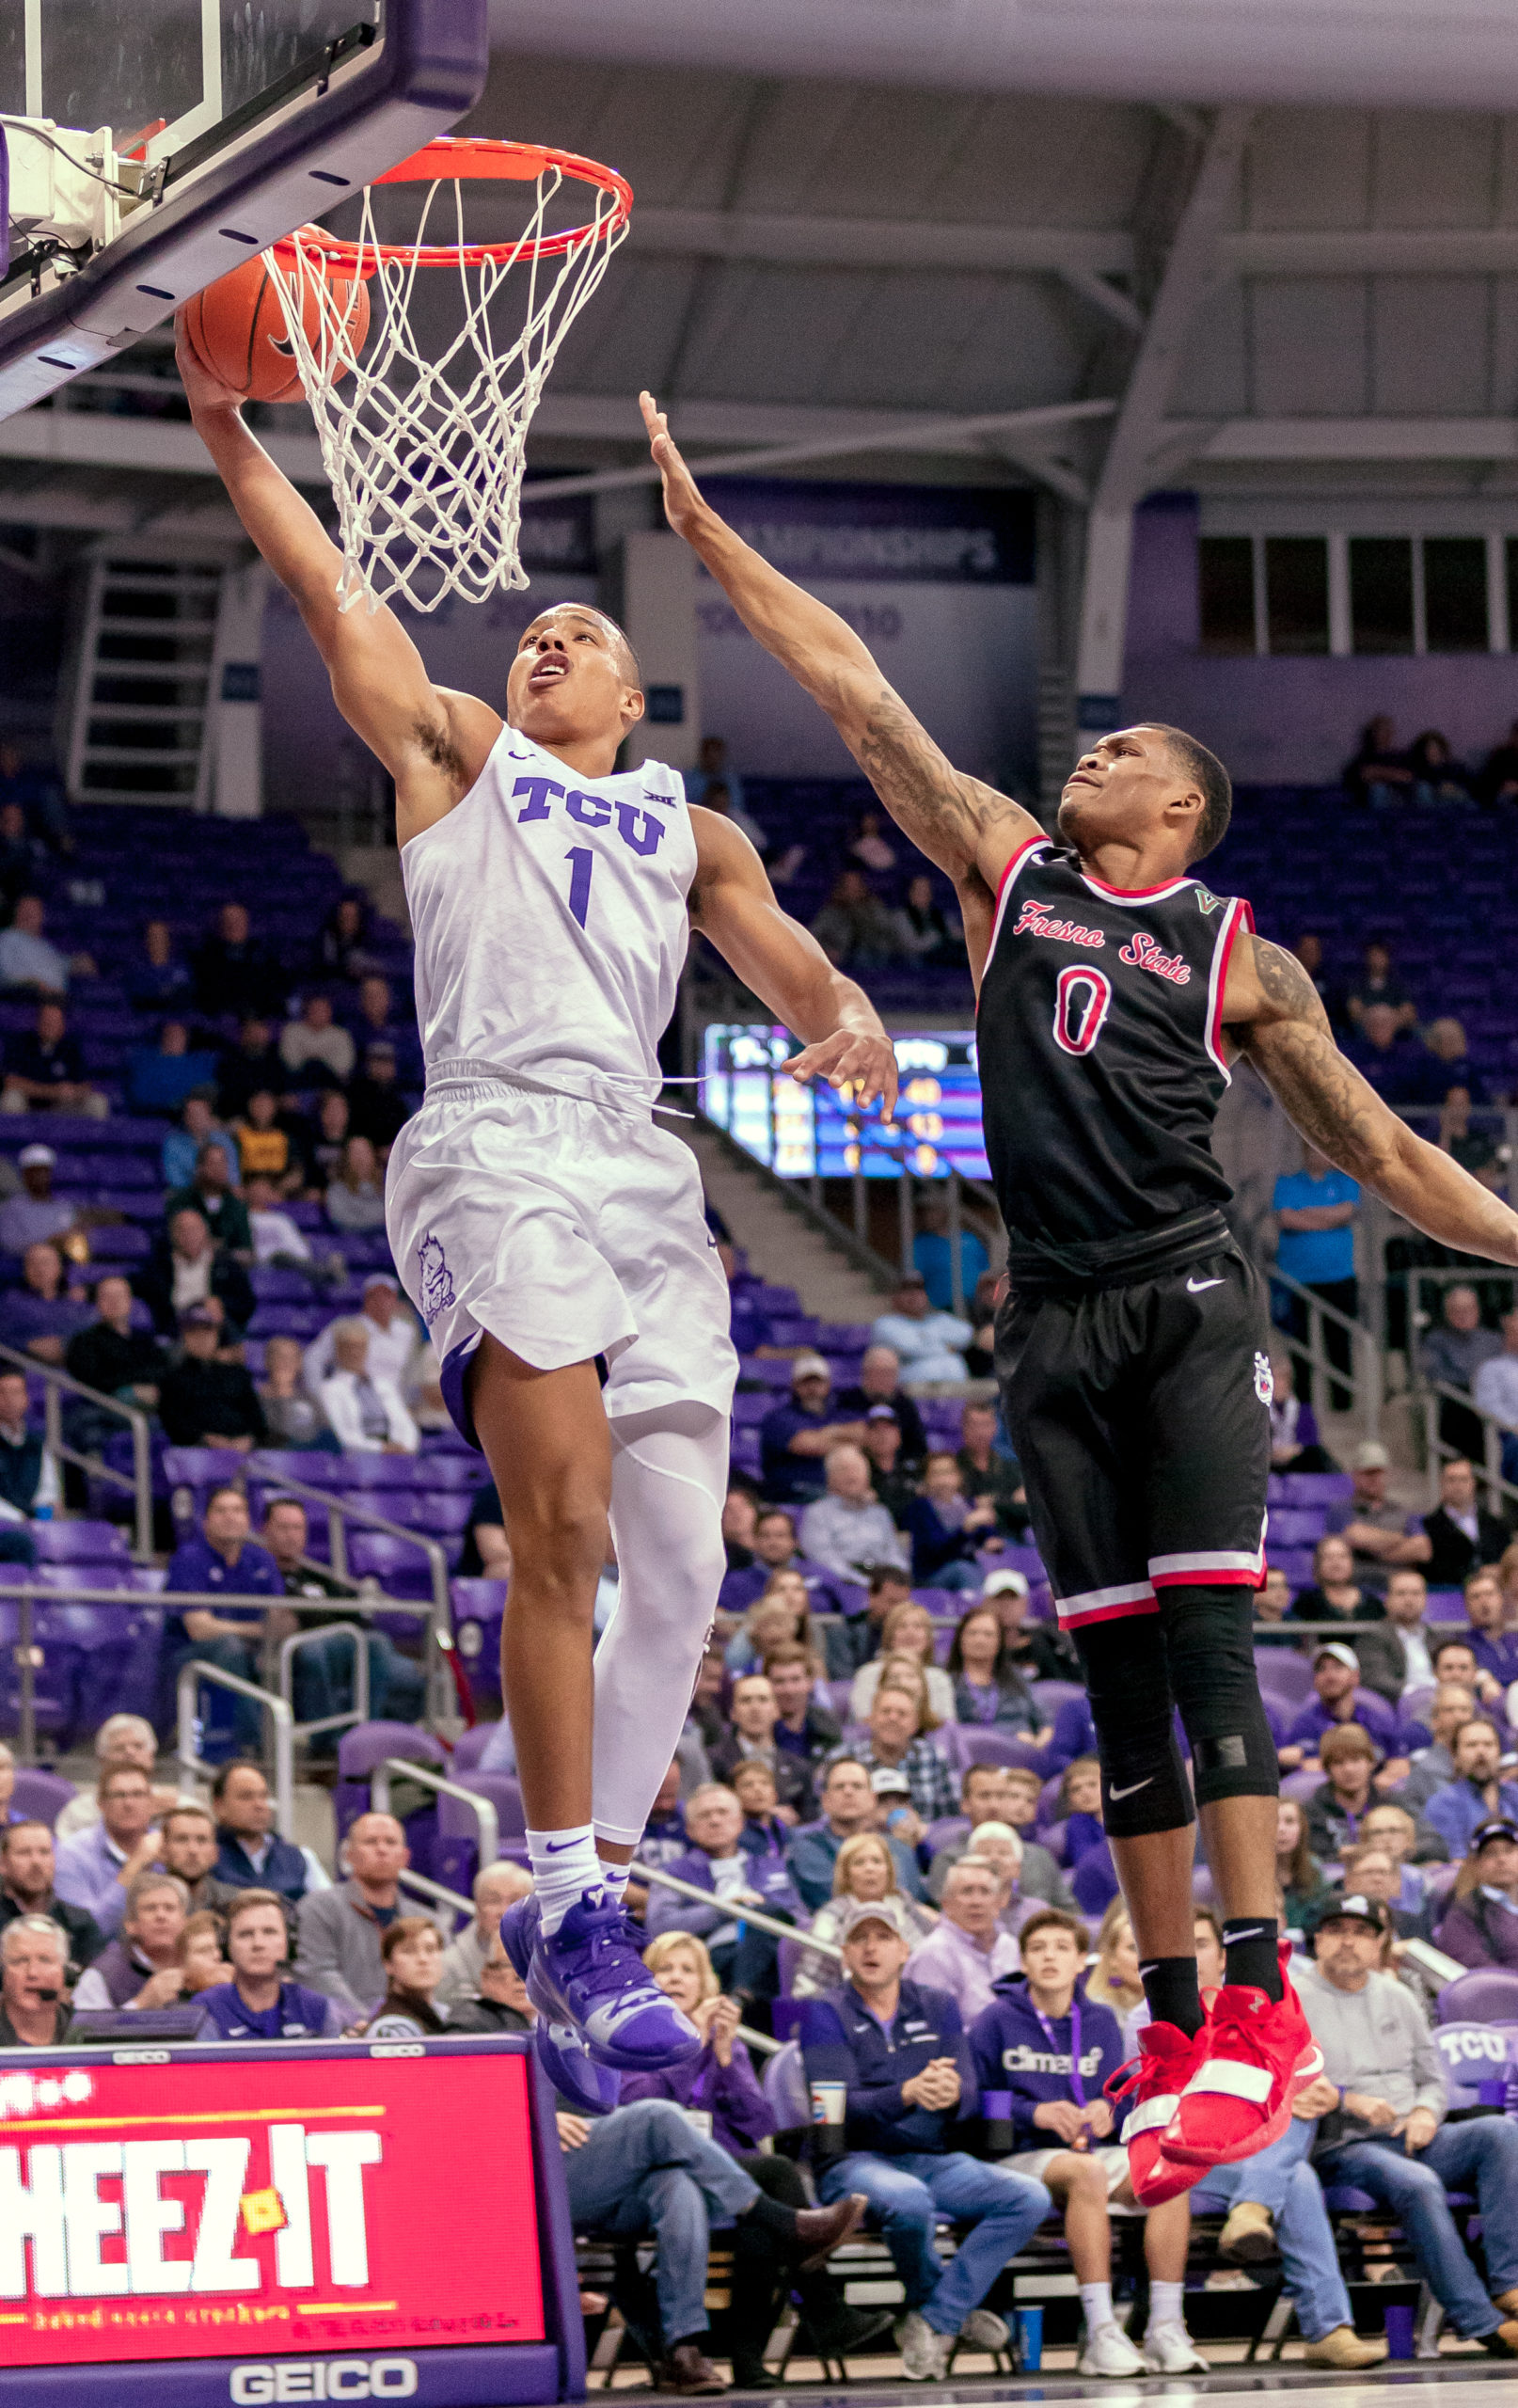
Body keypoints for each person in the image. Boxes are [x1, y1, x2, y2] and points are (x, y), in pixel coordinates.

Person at [643, 391, 1518, 2180]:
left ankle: (1265, 2004)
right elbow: (856, 697)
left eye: (1118, 747)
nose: (1087, 754)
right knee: (1114, 1679)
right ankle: (1180, 2021)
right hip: (1045, 1317)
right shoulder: (1008, 870)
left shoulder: (1238, 957)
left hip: (1186, 1301)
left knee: (1207, 1646)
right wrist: (714, 544)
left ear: (1177, 808)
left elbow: (1378, 1153)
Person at [182, 325, 900, 2115]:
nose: (547, 638)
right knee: (561, 1519)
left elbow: (793, 972)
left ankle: (595, 1920)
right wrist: (227, 428)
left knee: (688, 1574)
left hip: (642, 1168)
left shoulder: (689, 831)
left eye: (583, 633)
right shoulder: (458, 756)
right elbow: (332, 587)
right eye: (534, 631)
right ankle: (568, 1901)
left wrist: (846, 1019)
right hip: (494, 1142)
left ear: (637, 700)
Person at [799, 1895, 1049, 2380]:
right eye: (859, 1939)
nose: (871, 1948)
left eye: (883, 1937)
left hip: (931, 2156)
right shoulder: (823, 2012)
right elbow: (836, 2105)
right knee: (909, 2200)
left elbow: (970, 2089)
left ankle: (935, 2318)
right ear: (845, 1954)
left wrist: (953, 2095)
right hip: (853, 2160)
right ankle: (949, 2314)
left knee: (1028, 2197)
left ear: (904, 1950)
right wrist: (907, 2093)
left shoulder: (938, 2006)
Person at [627, 1929, 891, 2386]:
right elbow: (646, 2109)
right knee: (777, 2174)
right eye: (665, 1969)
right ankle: (823, 2308)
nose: (676, 1978)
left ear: (706, 1984)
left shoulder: (725, 2040)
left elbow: (759, 2123)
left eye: (688, 1970)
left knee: (763, 2221)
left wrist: (726, 2058)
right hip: (667, 2177)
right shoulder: (633, 2039)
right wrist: (692, 2043)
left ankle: (750, 2361)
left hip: (729, 2174)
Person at [972, 1907, 1204, 2376]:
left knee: (1168, 2171)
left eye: (1061, 1948)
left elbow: (1116, 2094)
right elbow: (971, 2100)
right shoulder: (995, 2019)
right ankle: (1101, 2330)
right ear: (1023, 1961)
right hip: (1015, 2154)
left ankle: (1165, 2326)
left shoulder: (1099, 2020)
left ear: (1082, 1961)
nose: (1049, 1957)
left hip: (1087, 2151)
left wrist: (1106, 2109)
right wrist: (1032, 2111)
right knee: (1088, 2172)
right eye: (1038, 1949)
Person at [1298, 1892, 1518, 2355]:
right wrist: (1348, 2100)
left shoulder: (1397, 1996)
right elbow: (1288, 2085)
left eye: (1361, 1932)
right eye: (1336, 1930)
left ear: (1380, 1943)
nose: (1348, 1942)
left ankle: (1510, 2284)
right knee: (1418, 2182)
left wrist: (1425, 2111)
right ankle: (1481, 2323)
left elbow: (1433, 2080)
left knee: (1502, 2133)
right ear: (1317, 1940)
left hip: (1412, 2134)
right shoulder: (1295, 2001)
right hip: (1344, 2146)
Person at [1182, 1909, 1387, 2369]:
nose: (1190, 1958)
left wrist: (1311, 2092)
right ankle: (1328, 2329)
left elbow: (1291, 2076)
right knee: (1293, 2169)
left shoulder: (1252, 2015)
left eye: (1200, 1945)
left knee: (1298, 2147)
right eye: (1181, 1948)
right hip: (1183, 2154)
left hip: (1251, 2150)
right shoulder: (1155, 2015)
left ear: (1223, 1957)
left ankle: (1253, 2210)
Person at [559, 2098, 863, 2397]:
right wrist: (537, 2119)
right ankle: (783, 2222)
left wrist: (726, 2072)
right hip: (549, 2159)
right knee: (658, 2115)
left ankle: (682, 2347)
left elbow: (761, 2121)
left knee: (677, 2184)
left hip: (627, 2178)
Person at [261, 1494, 426, 1729]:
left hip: (344, 1645)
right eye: (283, 1527)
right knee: (317, 1651)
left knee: (413, 1672)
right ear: (265, 1530)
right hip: (300, 1646)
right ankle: (330, 1737)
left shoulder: (319, 1574)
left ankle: (375, 1734)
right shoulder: (263, 1573)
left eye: (297, 1528)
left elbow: (354, 1616)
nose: (291, 1535)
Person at [644, 1782, 799, 2005]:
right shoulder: (674, 1873)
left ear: (740, 1822)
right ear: (689, 1829)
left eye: (723, 1812)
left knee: (769, 1916)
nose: (715, 1820)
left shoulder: (772, 1866)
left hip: (774, 1959)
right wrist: (725, 1910)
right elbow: (659, 1926)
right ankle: (740, 1995)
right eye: (705, 1815)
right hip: (713, 1960)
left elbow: (797, 1917)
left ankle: (741, 1995)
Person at [163, 1484, 283, 1755]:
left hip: (251, 1648)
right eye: (221, 1511)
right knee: (229, 1647)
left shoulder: (261, 1559)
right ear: (206, 1520)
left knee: (303, 1653)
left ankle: (324, 1747)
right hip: (186, 1654)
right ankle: (251, 1745)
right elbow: (199, 1629)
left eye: (238, 1510)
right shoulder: (189, 1558)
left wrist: (267, 1632)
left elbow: (280, 1621)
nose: (230, 1517)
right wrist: (257, 1630)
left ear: (248, 1520)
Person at [294, 1810, 432, 2024]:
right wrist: (369, 2025)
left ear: (405, 1857)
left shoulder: (426, 1920)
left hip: (415, 2030)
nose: (382, 1849)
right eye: (370, 1842)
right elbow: (318, 1973)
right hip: (344, 2032)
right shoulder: (318, 1908)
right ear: (349, 1855)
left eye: (390, 1842)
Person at [791, 1830, 937, 1997]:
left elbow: (933, 1957)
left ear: (889, 1869)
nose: (869, 1869)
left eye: (877, 1861)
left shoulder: (903, 1903)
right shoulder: (831, 1916)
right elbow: (809, 1986)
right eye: (859, 1863)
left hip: (917, 1998)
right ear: (846, 1874)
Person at [1272, 1145, 1360, 1410]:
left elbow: (1347, 1212)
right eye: (1313, 1150)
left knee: (1339, 1342)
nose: (1319, 1156)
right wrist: (1329, 1218)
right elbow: (1286, 1218)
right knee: (1300, 1345)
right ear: (1304, 1153)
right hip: (1297, 1278)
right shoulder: (1287, 1183)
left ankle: (1343, 1404)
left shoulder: (1344, 1182)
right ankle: (1304, 1406)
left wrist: (1305, 1214)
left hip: (1338, 1276)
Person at [197, 1888, 346, 2039]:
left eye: (269, 1932)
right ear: (226, 1945)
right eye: (245, 1934)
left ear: (290, 1942)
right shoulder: (206, 2010)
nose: (258, 1943)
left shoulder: (318, 2008)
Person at [788, 1756, 925, 1910]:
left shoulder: (899, 1848)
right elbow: (833, 1898)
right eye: (839, 1787)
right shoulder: (808, 1846)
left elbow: (921, 1898)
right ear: (825, 1801)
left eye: (857, 1786)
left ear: (872, 1799)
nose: (848, 1792)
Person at [53, 1762, 166, 1940]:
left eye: (138, 1794)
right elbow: (88, 1933)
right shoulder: (71, 1853)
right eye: (119, 1795)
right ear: (101, 1803)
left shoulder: (167, 1847)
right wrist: (135, 1865)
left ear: (151, 1802)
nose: (129, 1803)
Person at [904, 1854, 1021, 2023]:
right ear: (946, 1904)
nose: (976, 1902)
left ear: (998, 1903)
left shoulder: (1011, 1947)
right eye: (967, 1891)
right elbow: (935, 2028)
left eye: (985, 1891)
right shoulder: (933, 1954)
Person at [71, 1871, 193, 2012]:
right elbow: (82, 2025)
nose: (161, 1916)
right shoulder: (103, 1974)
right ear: (130, 1925)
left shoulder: (202, 1964)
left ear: (186, 1921)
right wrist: (140, 2004)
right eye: (150, 1908)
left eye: (169, 1908)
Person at [356, 1916, 496, 2037]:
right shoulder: (390, 2029)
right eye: (409, 1951)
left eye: (430, 1949)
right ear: (388, 1964)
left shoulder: (445, 2013)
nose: (423, 1959)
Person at [759, 1354, 869, 1507]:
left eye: (818, 1382)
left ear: (828, 1384)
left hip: (832, 1490)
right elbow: (807, 1445)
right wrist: (846, 1441)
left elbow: (865, 1434)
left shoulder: (839, 1414)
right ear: (795, 1385)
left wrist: (831, 1431)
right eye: (806, 1382)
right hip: (793, 1492)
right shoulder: (778, 1418)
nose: (812, 1388)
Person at [213, 1759, 327, 1903]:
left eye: (263, 1796)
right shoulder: (204, 1855)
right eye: (246, 1797)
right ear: (219, 1806)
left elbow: (328, 1909)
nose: (259, 1805)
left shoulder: (300, 1857)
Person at [54, 1712, 182, 1838]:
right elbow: (70, 1850)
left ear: (152, 1756)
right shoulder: (79, 1811)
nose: (130, 1752)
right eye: (119, 1748)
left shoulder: (178, 1806)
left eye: (138, 1746)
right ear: (102, 1760)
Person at [159, 1304, 268, 1448]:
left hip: (242, 1450)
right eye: (194, 1333)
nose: (202, 1339)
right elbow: (172, 1421)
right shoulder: (173, 1378)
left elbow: (257, 1420)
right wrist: (204, 1438)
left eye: (207, 1332)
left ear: (216, 1335)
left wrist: (248, 1439)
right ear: (185, 1337)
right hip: (195, 1452)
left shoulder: (237, 1374)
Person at [1280, 1641, 1406, 1766]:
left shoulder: (1376, 1721)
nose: (1330, 1676)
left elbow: (1401, 1763)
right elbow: (1290, 1759)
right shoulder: (1305, 1724)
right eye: (1321, 1669)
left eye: (1338, 1667)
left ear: (1355, 1676)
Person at [140, 1206, 256, 1341]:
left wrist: (221, 1304)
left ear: (205, 1232)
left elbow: (246, 1303)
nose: (189, 1235)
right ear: (172, 1234)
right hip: (175, 1333)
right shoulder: (158, 1267)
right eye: (182, 1230)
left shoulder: (227, 1265)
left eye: (194, 1229)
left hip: (217, 1331)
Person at [798, 1443, 909, 1583]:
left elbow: (894, 1554)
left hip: (882, 1580)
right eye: (843, 1469)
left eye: (857, 1469)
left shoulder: (880, 1513)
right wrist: (862, 1581)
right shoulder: (817, 1514)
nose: (851, 1475)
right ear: (830, 1478)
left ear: (868, 1476)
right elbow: (823, 1559)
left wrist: (897, 1577)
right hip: (842, 1583)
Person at [848, 1684, 959, 1824]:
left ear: (915, 1724)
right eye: (886, 1711)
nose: (893, 1718)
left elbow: (952, 1819)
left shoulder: (934, 1756)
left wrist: (924, 1830)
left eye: (902, 1713)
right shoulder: (846, 1758)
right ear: (871, 1718)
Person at [706, 1674, 813, 1820]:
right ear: (733, 1712)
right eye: (746, 1700)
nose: (755, 1708)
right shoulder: (712, 1761)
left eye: (763, 1699)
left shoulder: (799, 1767)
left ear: (776, 1710)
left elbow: (810, 1819)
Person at [0, 1818, 103, 1967]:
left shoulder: (80, 1924)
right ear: (3, 1863)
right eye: (24, 1853)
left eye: (44, 1852)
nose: (36, 1862)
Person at [302, 1274, 418, 1396]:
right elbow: (313, 1358)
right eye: (375, 1296)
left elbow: (410, 1371)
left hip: (392, 1399)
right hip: (352, 1397)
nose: (382, 1301)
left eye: (387, 1295)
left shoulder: (406, 1331)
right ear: (366, 1299)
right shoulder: (346, 1326)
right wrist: (319, 1395)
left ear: (395, 1300)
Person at [436, 1860, 534, 2004]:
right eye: (493, 1901)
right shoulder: (448, 1965)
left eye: (515, 1901)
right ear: (477, 1907)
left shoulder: (549, 1958)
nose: (504, 1911)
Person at [1408, 1456, 1512, 1590]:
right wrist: (1477, 1574)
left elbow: (1509, 1559)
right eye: (1452, 1480)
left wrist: (1499, 1571)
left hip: (1494, 1592)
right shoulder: (1427, 1526)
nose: (1458, 1486)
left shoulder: (1496, 1524)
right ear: (1442, 1483)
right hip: (1448, 1594)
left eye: (1463, 1479)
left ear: (1473, 1483)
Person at [65, 1273, 165, 1413]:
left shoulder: (145, 1338)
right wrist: (134, 1389)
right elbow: (94, 1381)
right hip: (107, 1407)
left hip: (151, 1395)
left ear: (130, 1301)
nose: (114, 1302)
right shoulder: (84, 1341)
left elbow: (161, 1369)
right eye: (107, 1297)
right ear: (98, 1302)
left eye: (119, 1296)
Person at [318, 1316, 419, 1453]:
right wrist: (381, 1448)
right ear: (338, 1350)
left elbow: (407, 1426)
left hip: (397, 1454)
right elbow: (343, 1436)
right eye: (349, 1347)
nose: (355, 1353)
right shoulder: (330, 1389)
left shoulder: (384, 1385)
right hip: (357, 1457)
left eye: (360, 1347)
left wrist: (405, 1447)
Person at [944, 1605, 1049, 1737]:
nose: (980, 1640)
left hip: (1020, 1746)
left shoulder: (1016, 1678)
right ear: (960, 1638)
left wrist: (1040, 1741)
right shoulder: (946, 1681)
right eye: (973, 1633)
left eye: (988, 1634)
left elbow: (1045, 1721)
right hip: (970, 1746)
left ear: (1000, 1641)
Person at [848, 1601, 957, 1725]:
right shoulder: (868, 1673)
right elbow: (864, 1720)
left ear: (928, 1638)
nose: (910, 1632)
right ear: (890, 1636)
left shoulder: (939, 1677)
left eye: (918, 1626)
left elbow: (947, 1724)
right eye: (902, 1626)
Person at [1425, 1719, 1518, 1859]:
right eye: (1471, 1745)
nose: (1481, 1751)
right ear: (1455, 1757)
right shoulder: (1443, 1804)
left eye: (1488, 1744)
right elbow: (1456, 1860)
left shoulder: (1515, 1795)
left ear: (1499, 1753)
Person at [908, 1452, 1001, 1591]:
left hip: (972, 1564)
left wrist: (991, 1538)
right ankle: (977, 1603)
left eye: (948, 1472)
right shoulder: (921, 1508)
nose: (943, 1480)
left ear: (959, 1476)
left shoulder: (968, 1503)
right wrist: (965, 1529)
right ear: (926, 1479)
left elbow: (987, 1533)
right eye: (936, 1474)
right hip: (933, 1574)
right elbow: (936, 1552)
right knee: (963, 1570)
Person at [1435, 1817, 1518, 1970]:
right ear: (1476, 1863)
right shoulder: (1464, 1913)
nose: (1501, 1859)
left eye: (1509, 1850)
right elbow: (1477, 1969)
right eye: (1490, 1853)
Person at [2, 999, 103, 1117]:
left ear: (62, 1026)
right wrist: (51, 1091)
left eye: (55, 1022)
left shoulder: (71, 1049)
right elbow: (11, 1082)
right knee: (12, 1099)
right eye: (47, 1022)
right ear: (38, 1023)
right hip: (29, 1103)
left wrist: (73, 1091)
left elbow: (85, 1085)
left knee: (97, 1102)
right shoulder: (20, 1044)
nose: (50, 1026)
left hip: (61, 1106)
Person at [0, 1238, 89, 1369]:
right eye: (32, 1263)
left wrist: (66, 1346)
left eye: (45, 1262)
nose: (39, 1269)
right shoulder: (10, 1302)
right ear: (24, 1270)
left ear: (59, 1267)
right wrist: (27, 1345)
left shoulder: (76, 1307)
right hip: (21, 1370)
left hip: (71, 1372)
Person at [870, 1273, 972, 1385]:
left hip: (954, 1385)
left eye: (919, 1289)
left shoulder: (941, 1319)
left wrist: (925, 1342)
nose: (914, 1294)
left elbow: (968, 1334)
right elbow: (909, 1348)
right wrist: (947, 1347)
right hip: (909, 1382)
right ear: (895, 1297)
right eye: (906, 1290)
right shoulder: (885, 1323)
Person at [834, 1346, 929, 1465]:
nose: (885, 1379)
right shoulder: (847, 1401)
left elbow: (918, 1449)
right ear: (865, 1373)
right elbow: (830, 1435)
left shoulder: (905, 1406)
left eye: (890, 1373)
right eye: (879, 1373)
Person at [1352, 1567, 1436, 1703]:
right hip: (1397, 1703)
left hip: (1439, 1701)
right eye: (1401, 1593)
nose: (1409, 1600)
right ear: (1387, 1600)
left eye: (1416, 1593)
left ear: (1425, 1599)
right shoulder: (1373, 1637)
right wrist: (1415, 1693)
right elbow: (1375, 1679)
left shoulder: (1436, 1636)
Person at [763, 1642, 843, 1781]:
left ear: (810, 1682)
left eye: (795, 1680)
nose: (788, 1690)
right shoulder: (757, 1729)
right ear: (766, 1683)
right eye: (779, 1681)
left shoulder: (828, 1725)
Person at [193, 900, 282, 1022]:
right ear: (219, 925)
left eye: (238, 921)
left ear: (247, 924)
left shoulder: (264, 958)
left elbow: (273, 995)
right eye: (228, 922)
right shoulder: (203, 959)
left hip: (257, 1020)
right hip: (217, 1021)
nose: (233, 926)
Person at [1399, 1683, 1482, 1810]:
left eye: (1464, 1710)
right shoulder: (1422, 1767)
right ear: (1435, 1720)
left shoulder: (1484, 1764)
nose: (1458, 1716)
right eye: (1449, 1710)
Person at [1305, 1725, 1382, 1860]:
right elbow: (1315, 1858)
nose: (1348, 1769)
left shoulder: (1389, 1804)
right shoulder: (1312, 1811)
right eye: (1338, 1762)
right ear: (1328, 1769)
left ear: (1371, 1762)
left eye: (1356, 1760)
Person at [166, 1140, 253, 1259]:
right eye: (213, 1163)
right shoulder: (180, 1202)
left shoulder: (237, 1206)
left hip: (227, 1269)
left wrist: (221, 1254)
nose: (219, 1169)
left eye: (223, 1163)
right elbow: (170, 1245)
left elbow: (246, 1251)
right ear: (200, 1167)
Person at [158, 1802, 241, 1921]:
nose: (193, 1850)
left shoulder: (234, 1903)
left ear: (215, 1853)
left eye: (202, 1840)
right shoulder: (146, 1901)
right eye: (182, 1839)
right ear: (163, 1850)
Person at [955, 1400, 1028, 1533]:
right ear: (963, 1427)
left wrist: (990, 1503)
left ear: (994, 1427)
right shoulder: (953, 1468)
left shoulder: (1011, 1468)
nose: (980, 1432)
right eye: (974, 1425)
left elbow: (1024, 1507)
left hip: (1009, 1534)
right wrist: (1009, 1501)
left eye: (985, 1425)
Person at [0, 1915, 73, 2048]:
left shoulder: (85, 2028)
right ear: (3, 1972)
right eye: (20, 1961)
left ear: (64, 1972)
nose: (32, 1973)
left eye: (45, 1960)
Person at [0, 894, 88, 998]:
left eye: (34, 911)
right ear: (16, 913)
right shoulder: (7, 938)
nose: (28, 915)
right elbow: (8, 975)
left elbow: (59, 964)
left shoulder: (43, 945)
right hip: (28, 999)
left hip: (58, 998)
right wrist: (36, 985)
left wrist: (76, 963)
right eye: (25, 910)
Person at [259, 1333, 332, 1448]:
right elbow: (278, 1438)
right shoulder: (254, 1401)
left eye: (292, 1358)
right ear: (267, 1361)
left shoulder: (310, 1399)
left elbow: (329, 1438)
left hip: (309, 1455)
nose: (286, 1363)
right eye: (280, 1357)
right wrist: (283, 1395)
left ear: (299, 1364)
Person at [0, 1150, 75, 1256]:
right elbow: (10, 1243)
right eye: (33, 1172)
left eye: (44, 1171)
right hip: (27, 1261)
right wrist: (49, 1242)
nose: (39, 1176)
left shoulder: (64, 1207)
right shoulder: (11, 1207)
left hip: (62, 1260)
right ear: (24, 1175)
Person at [1275, 1798, 1333, 1934]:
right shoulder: (1249, 1872)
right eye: (1273, 1821)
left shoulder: (1315, 1869)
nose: (1281, 1829)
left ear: (1302, 1829)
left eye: (1289, 1821)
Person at [1475, 1309, 1518, 1484]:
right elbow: (1488, 1408)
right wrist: (1515, 1426)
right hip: (1509, 1437)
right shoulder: (1491, 1369)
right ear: (1508, 1334)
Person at [1461, 1563, 1518, 1689]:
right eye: (1476, 1596)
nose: (1484, 1602)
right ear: (1466, 1605)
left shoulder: (1515, 1638)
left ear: (1501, 1599)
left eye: (1489, 1594)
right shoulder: (1462, 1646)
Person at [279, 991, 356, 1087]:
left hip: (331, 1084)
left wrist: (314, 1058)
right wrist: (320, 1058)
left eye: (323, 1010)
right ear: (306, 1011)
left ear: (330, 1012)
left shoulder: (341, 1034)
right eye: (315, 1010)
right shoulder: (291, 1031)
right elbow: (290, 1062)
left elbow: (344, 1065)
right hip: (298, 1082)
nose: (319, 1014)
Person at [324, 1133, 387, 1232]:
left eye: (364, 1152)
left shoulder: (388, 1187)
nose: (360, 1158)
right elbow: (341, 1220)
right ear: (346, 1158)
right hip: (348, 1240)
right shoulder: (335, 1191)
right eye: (355, 1153)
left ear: (373, 1155)